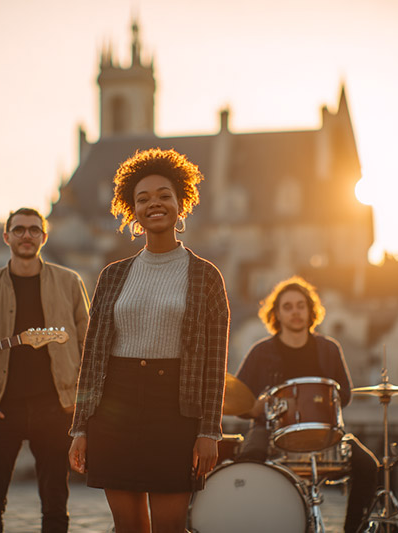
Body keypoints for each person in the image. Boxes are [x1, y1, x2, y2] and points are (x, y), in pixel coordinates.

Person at [68, 148, 230, 533]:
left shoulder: (206, 276)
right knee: (127, 526)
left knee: (170, 526)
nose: (153, 204)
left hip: (175, 408)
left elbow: (214, 363)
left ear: (181, 204)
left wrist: (209, 431)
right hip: (114, 406)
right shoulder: (112, 275)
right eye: (142, 199)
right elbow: (92, 357)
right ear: (132, 211)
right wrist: (80, 428)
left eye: (163, 195)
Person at [0, 207, 89, 532]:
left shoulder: (70, 282)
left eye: (34, 229)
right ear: (6, 236)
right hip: (1, 407)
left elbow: (90, 347)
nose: (26, 235)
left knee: (56, 505)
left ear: (44, 237)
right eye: (19, 229)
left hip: (56, 407)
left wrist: (81, 403)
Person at [235, 276, 380, 533]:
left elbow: (344, 394)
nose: (295, 312)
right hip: (270, 431)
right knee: (247, 463)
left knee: (368, 465)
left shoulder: (329, 348)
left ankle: (353, 529)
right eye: (288, 307)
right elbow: (238, 399)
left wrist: (325, 398)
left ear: (310, 310)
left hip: (325, 432)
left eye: (301, 305)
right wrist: (256, 407)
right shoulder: (261, 352)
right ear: (277, 314)